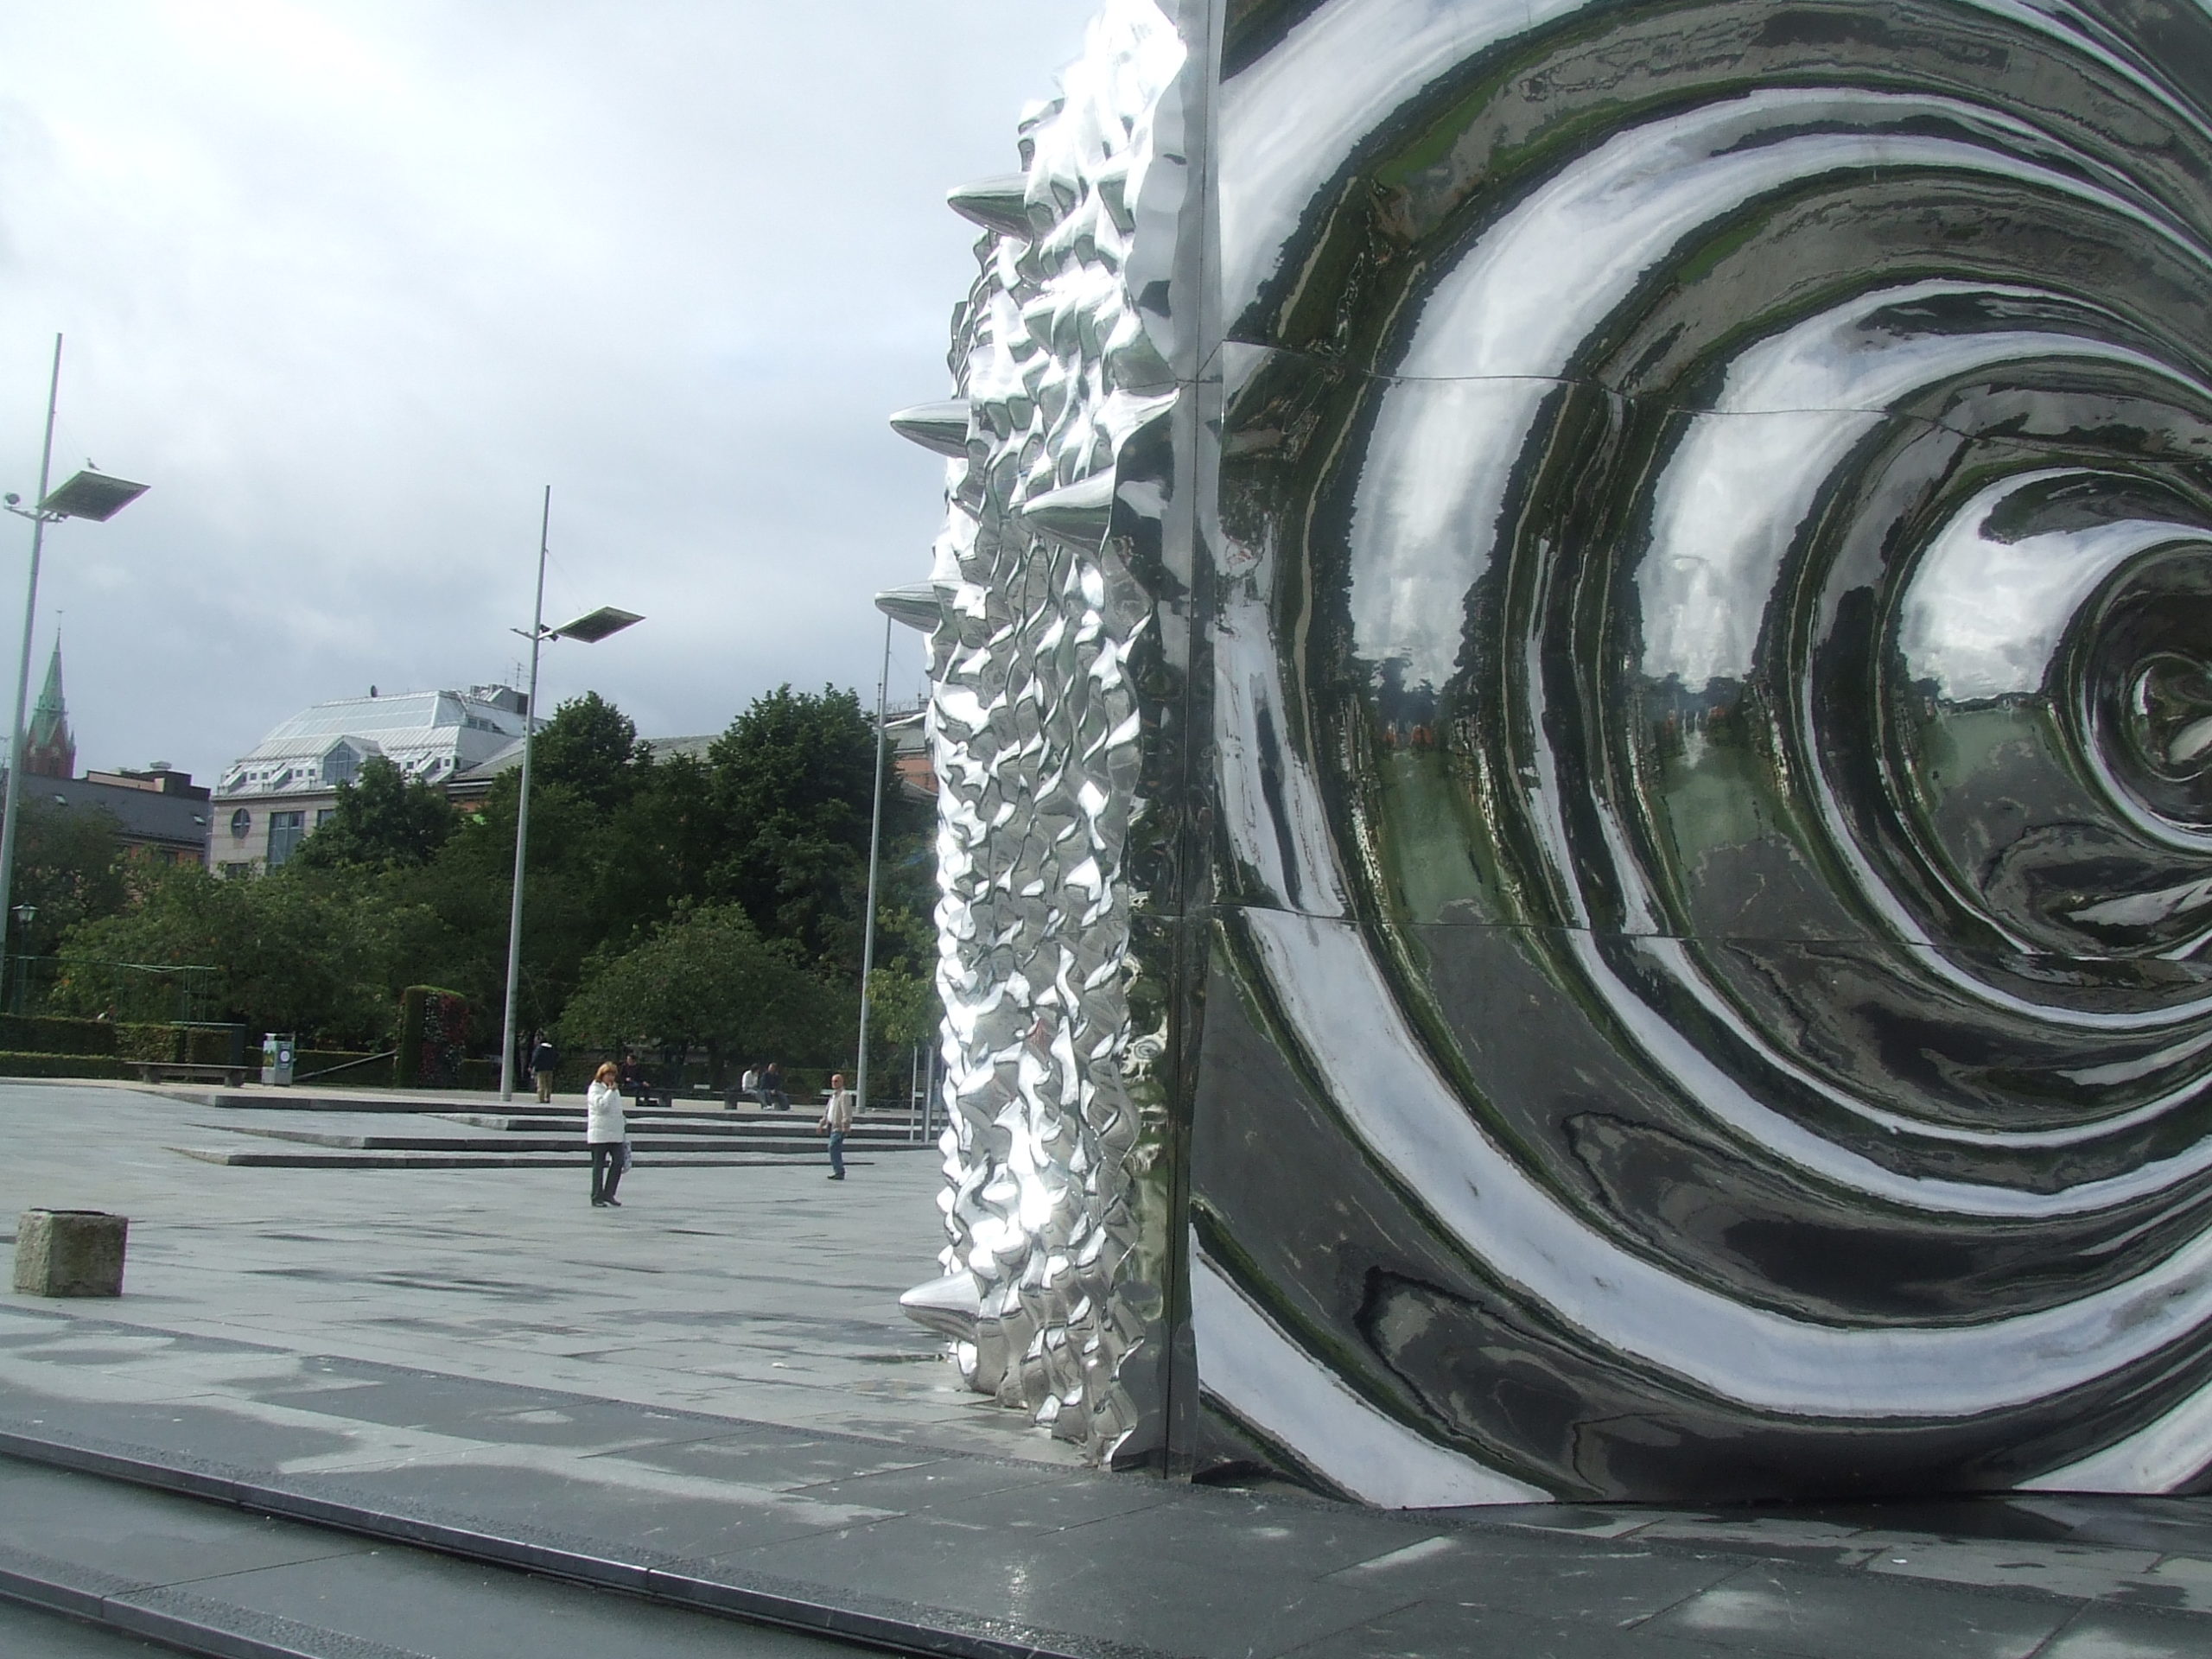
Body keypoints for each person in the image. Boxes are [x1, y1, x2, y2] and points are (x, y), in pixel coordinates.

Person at [586, 1059, 627, 1208]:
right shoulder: (595, 1089)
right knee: (598, 1166)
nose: (611, 1078)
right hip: (599, 1134)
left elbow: (617, 1109)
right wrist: (610, 1092)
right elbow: (601, 1106)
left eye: (613, 1075)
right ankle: (597, 1196)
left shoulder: (615, 1090)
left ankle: (609, 1194)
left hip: (615, 1133)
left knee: (618, 1161)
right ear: (601, 1075)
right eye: (608, 1075)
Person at [819, 1071, 855, 1180]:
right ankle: (838, 1170)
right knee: (835, 1148)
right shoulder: (833, 1096)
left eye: (836, 1081)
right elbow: (828, 1111)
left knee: (833, 1147)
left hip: (839, 1127)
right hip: (831, 1125)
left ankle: (839, 1171)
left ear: (842, 1082)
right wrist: (822, 1123)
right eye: (832, 1081)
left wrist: (846, 1124)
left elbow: (846, 1111)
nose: (834, 1083)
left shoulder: (844, 1095)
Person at [530, 1033, 559, 1103]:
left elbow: (535, 1058)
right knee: (549, 1085)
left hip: (541, 1069)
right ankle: (547, 1098)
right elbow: (556, 1057)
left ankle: (541, 1099)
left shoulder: (539, 1049)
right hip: (550, 1068)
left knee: (541, 1084)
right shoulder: (552, 1048)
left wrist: (531, 1066)